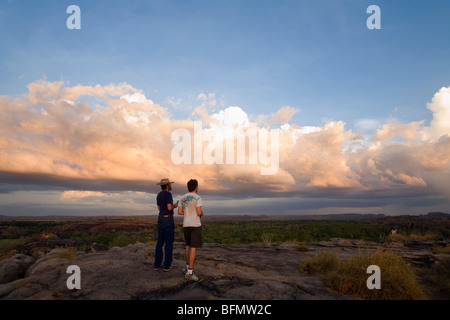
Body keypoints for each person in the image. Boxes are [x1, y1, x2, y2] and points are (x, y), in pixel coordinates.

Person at [178, 179, 204, 281]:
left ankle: (187, 267)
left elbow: (180, 212)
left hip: (186, 224)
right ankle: (190, 272)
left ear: (188, 187)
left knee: (188, 245)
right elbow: (198, 212)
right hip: (195, 225)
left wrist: (188, 213)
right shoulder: (198, 197)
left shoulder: (182, 198)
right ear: (196, 187)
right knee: (193, 247)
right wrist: (201, 213)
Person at [154, 178, 178, 271]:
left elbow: (159, 208)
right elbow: (169, 207)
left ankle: (157, 264)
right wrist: (174, 206)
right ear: (168, 185)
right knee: (168, 243)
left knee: (160, 242)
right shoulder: (168, 194)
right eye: (170, 185)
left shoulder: (159, 195)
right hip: (168, 218)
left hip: (160, 218)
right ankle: (167, 265)